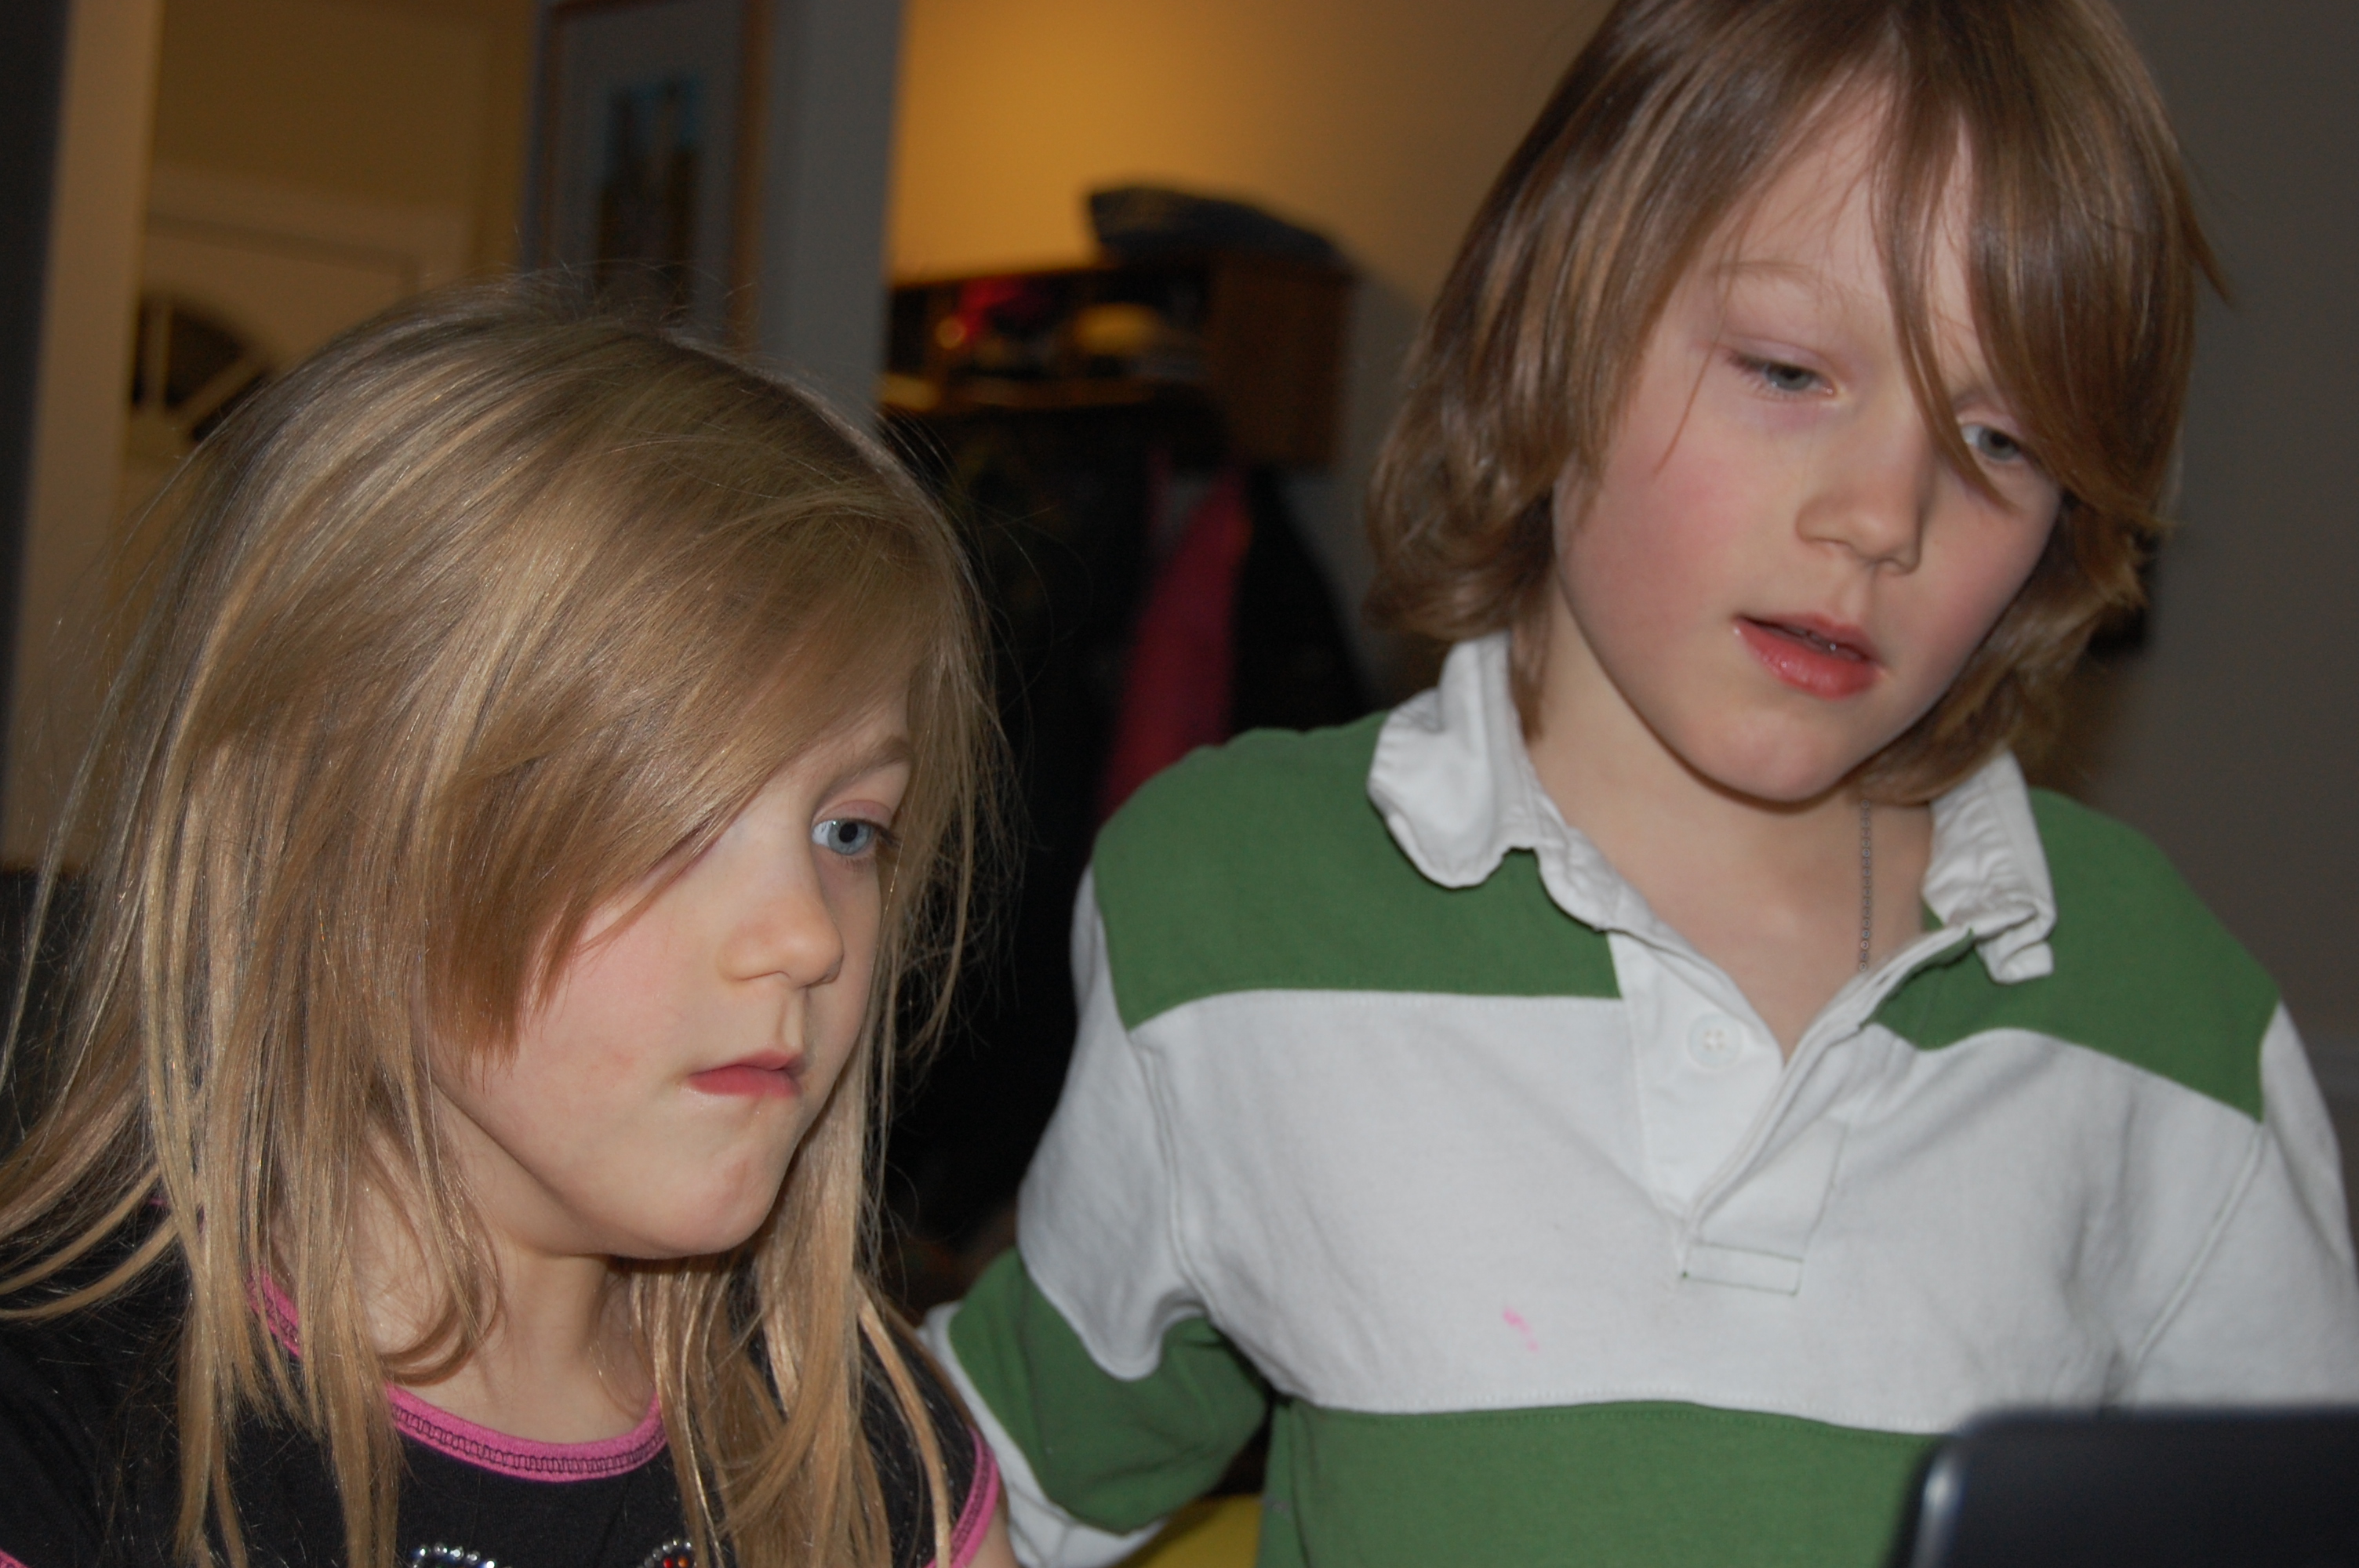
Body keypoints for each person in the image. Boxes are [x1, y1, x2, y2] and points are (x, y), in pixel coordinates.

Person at [920, 1, 2359, 1564]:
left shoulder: (2169, 1019)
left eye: (2003, 444)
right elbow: (1005, 1486)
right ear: (1556, 333)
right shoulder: (1231, 904)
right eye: (1789, 370)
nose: (1885, 516)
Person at [0, 292, 1019, 1568]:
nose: (807, 938)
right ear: (323, 842)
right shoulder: (60, 1444)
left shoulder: (875, 1462)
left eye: (849, 831)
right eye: (669, 820)